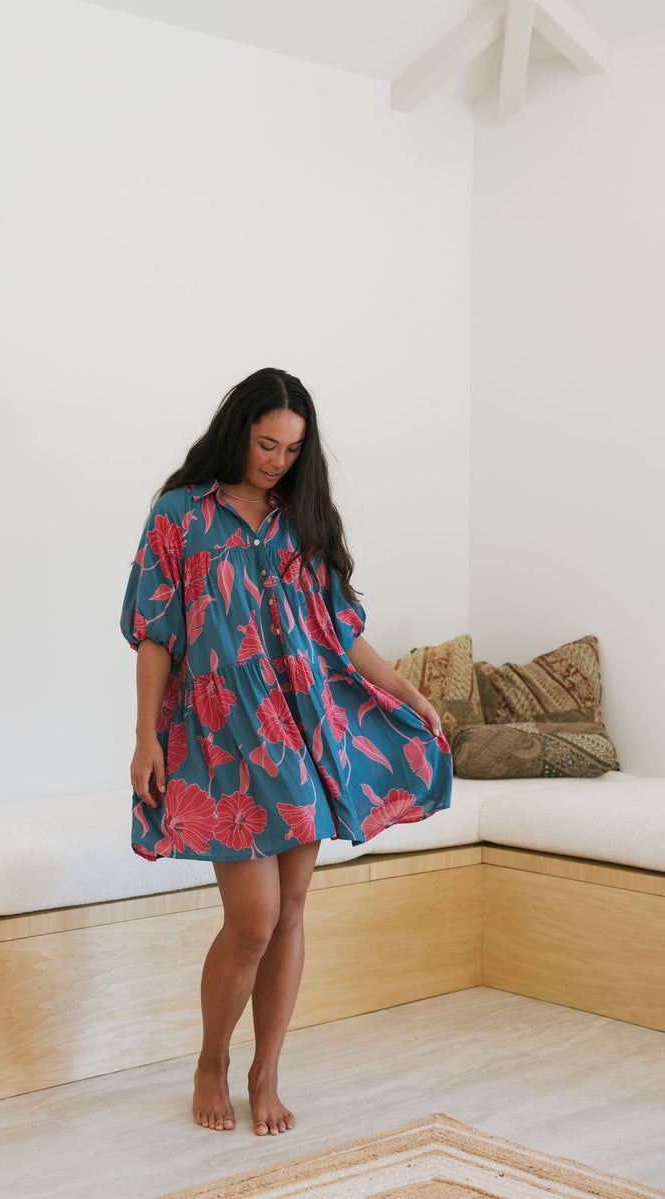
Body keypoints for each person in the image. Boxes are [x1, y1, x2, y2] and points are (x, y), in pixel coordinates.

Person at [120, 367, 452, 1137]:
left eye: (292, 448)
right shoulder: (180, 516)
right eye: (267, 442)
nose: (276, 459)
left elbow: (341, 629)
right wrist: (144, 738)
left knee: (292, 910)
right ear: (238, 430)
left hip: (299, 733)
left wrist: (404, 687)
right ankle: (212, 1061)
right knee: (254, 918)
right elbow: (155, 633)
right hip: (215, 734)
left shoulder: (299, 517)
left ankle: (267, 1071)